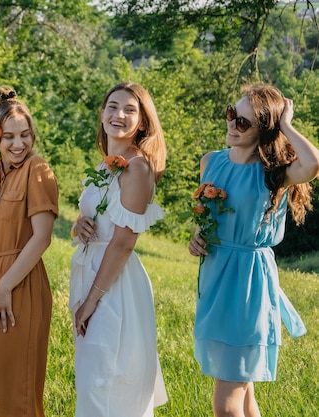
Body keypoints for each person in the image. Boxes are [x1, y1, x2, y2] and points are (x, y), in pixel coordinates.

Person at [188, 84, 319, 416]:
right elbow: (208, 217)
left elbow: (313, 163)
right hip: (215, 279)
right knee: (243, 394)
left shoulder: (273, 174)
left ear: (264, 129)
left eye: (244, 122)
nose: (233, 124)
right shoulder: (211, 162)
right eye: (232, 114)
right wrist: (197, 237)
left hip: (249, 285)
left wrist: (286, 123)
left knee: (226, 404)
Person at [69, 82, 168, 416]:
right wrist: (78, 225)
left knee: (106, 382)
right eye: (112, 106)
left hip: (114, 287)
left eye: (130, 110)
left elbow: (124, 242)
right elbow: (101, 218)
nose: (119, 115)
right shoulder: (107, 164)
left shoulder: (137, 168)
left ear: (141, 122)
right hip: (93, 271)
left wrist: (91, 301)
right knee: (92, 382)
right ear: (102, 113)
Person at [0, 87, 58, 416]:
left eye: (25, 135)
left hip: (21, 282)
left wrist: (6, 286)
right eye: (9, 137)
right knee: (1, 381)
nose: (19, 144)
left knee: (18, 389)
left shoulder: (38, 170)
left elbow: (42, 238)